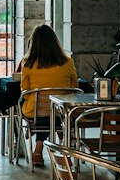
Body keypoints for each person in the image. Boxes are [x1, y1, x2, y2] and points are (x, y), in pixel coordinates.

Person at [15, 23, 78, 167]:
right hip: (62, 111)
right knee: (54, 111)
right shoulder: (68, 62)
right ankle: (64, 146)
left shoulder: (27, 63)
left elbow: (24, 89)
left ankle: (38, 150)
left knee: (43, 112)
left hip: (36, 110)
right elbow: (75, 87)